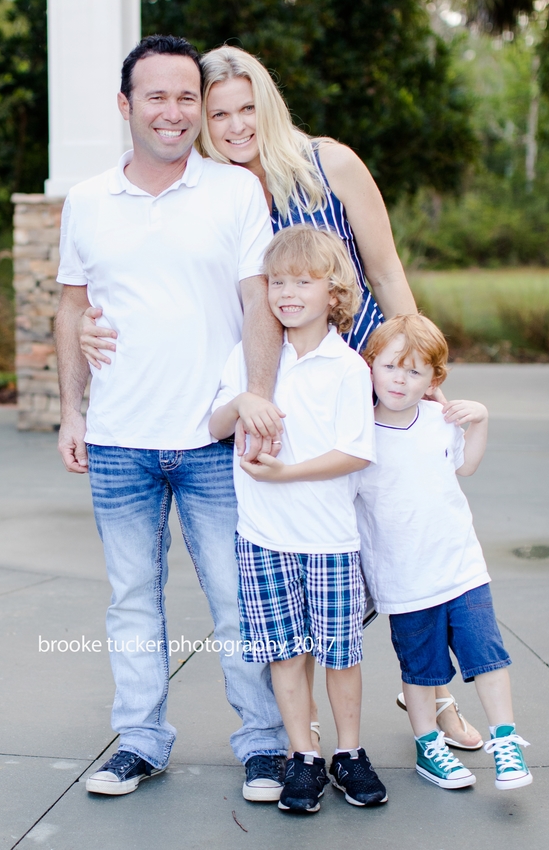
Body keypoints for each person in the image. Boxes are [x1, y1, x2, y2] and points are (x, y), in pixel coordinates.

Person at [80, 44, 482, 750]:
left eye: (247, 108)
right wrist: (93, 324)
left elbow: (386, 272)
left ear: (269, 104)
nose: (236, 126)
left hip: (363, 381)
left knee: (405, 547)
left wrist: (420, 368)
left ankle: (435, 698)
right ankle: (306, 723)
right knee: (319, 562)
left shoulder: (331, 165)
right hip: (275, 400)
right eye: (218, 113)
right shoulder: (211, 190)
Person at [55, 34, 291, 802]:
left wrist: (257, 398)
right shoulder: (88, 201)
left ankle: (262, 744)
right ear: (126, 106)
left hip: (214, 438)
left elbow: (259, 301)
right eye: (156, 95)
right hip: (120, 440)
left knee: (234, 597)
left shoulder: (233, 192)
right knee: (130, 599)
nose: (175, 111)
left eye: (187, 96)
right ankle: (140, 742)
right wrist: (71, 411)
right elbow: (68, 308)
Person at [210, 225, 388, 814]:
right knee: (285, 654)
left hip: (329, 541)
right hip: (263, 538)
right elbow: (211, 427)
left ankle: (350, 754)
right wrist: (243, 402)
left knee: (341, 655)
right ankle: (303, 756)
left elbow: (356, 453)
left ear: (333, 293)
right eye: (277, 282)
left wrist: (285, 473)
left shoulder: (347, 369)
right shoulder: (249, 357)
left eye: (302, 282)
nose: (286, 293)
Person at [355, 314, 533, 791]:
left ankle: (505, 740)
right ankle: (428, 746)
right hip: (403, 578)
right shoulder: (355, 434)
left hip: (460, 568)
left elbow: (467, 466)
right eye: (391, 366)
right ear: (369, 365)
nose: (400, 379)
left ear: (434, 380)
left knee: (488, 656)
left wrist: (481, 420)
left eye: (415, 372)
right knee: (421, 669)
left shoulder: (439, 421)